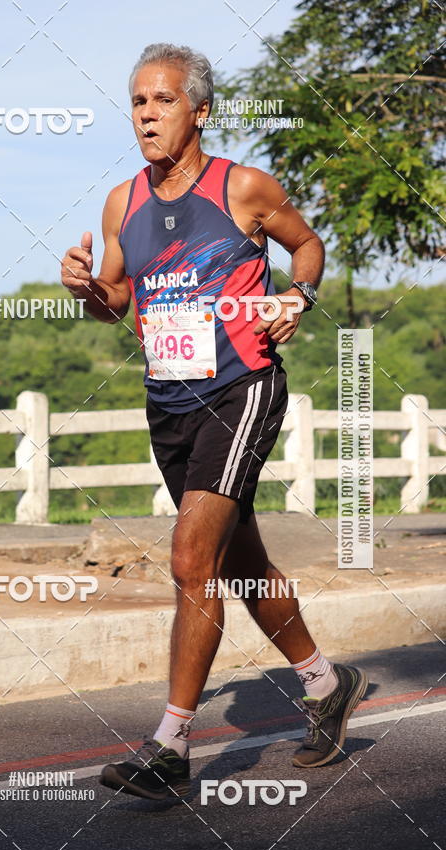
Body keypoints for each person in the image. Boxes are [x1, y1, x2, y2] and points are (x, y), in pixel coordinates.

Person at [61, 42, 367, 801]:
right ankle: (327, 685)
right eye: (137, 102)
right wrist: (83, 290)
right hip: (169, 403)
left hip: (243, 388)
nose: (146, 116)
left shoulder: (244, 189)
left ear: (198, 112)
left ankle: (170, 747)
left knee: (192, 558)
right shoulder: (122, 203)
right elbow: (115, 300)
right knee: (236, 563)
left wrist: (296, 296)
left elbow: (307, 245)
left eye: (162, 101)